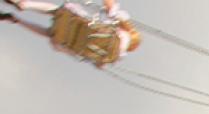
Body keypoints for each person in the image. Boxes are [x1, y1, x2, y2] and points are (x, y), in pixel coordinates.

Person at [2, 0, 140, 65]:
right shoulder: (113, 56)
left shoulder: (121, 23)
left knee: (56, 11)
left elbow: (110, 6)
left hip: (75, 20)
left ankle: (24, 4)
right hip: (65, 41)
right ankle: (16, 20)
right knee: (49, 33)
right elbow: (97, 64)